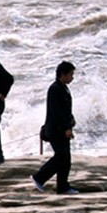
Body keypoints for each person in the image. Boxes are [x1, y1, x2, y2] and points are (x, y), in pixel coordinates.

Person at [33, 61, 79, 195]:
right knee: (61, 157)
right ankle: (39, 177)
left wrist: (71, 120)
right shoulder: (55, 89)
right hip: (55, 130)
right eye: (71, 74)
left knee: (65, 159)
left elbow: (66, 110)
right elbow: (57, 112)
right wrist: (66, 128)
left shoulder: (63, 87)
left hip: (62, 129)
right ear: (63, 74)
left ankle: (63, 186)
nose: (72, 77)